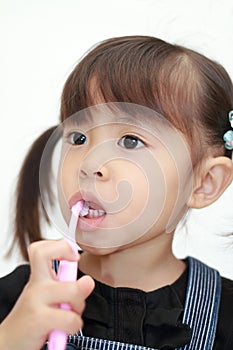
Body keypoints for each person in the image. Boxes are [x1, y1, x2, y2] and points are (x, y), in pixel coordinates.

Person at [0, 35, 233, 350]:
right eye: (79, 138)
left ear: (205, 182)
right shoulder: (18, 301)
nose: (90, 164)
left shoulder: (227, 319)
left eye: (131, 141)